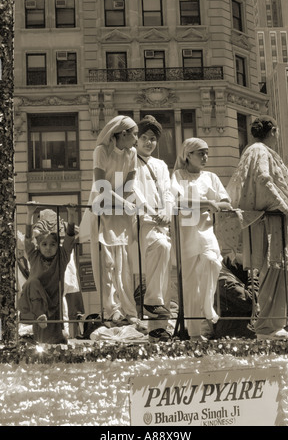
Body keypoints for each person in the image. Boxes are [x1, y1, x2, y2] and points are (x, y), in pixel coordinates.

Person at [226, 115, 288, 341]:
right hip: (270, 220)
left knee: (277, 269)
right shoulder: (261, 151)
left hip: (268, 219)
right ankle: (268, 327)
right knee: (276, 269)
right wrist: (285, 207)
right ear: (273, 131)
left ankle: (272, 325)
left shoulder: (253, 150)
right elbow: (264, 179)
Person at [79, 115, 139, 325]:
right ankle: (110, 310)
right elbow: (101, 187)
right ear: (123, 134)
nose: (137, 138)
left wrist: (121, 203)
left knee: (123, 263)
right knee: (106, 263)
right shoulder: (101, 151)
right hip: (101, 211)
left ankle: (128, 310)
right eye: (135, 134)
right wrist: (122, 202)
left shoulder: (132, 153)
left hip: (120, 212)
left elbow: (129, 184)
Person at [171, 138, 232, 340]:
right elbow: (176, 201)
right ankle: (194, 333)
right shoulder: (178, 175)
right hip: (186, 232)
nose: (205, 157)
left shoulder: (211, 177)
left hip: (206, 231)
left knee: (213, 262)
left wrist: (209, 204)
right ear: (188, 155)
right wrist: (206, 203)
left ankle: (207, 307)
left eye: (207, 153)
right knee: (190, 283)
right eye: (201, 153)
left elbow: (225, 203)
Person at [134, 115, 174, 342]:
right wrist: (150, 211)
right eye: (144, 138)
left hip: (162, 221)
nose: (148, 143)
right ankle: (151, 301)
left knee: (165, 259)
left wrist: (167, 210)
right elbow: (131, 189)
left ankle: (159, 329)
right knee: (160, 247)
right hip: (141, 220)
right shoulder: (130, 160)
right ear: (136, 140)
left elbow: (167, 191)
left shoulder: (160, 165)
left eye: (152, 139)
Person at [18, 203, 77, 344]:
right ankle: (40, 317)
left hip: (53, 302)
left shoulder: (61, 258)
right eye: (44, 244)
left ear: (58, 245)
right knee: (32, 282)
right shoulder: (34, 256)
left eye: (52, 244)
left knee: (52, 339)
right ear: (39, 246)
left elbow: (69, 238)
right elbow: (27, 238)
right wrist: (29, 213)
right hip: (37, 303)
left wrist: (71, 214)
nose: (48, 248)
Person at [212, 254, 259, 339]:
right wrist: (253, 277)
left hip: (236, 328)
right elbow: (249, 302)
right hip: (234, 331)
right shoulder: (227, 282)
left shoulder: (226, 277)